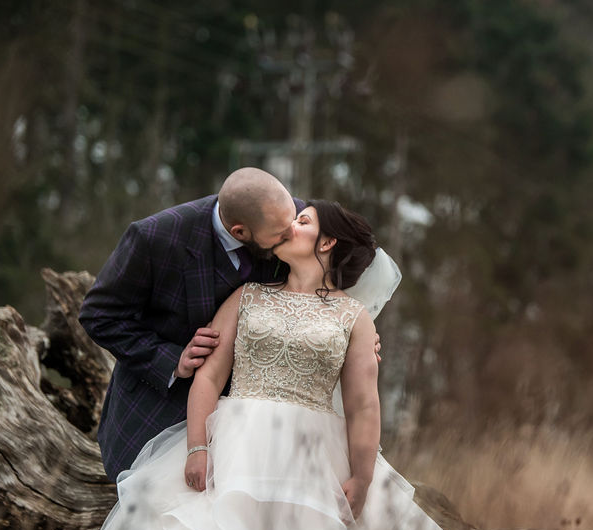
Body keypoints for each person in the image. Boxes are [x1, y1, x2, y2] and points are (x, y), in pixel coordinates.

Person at [55, 201, 468, 530]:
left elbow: (363, 405)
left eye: (304, 220)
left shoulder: (354, 318)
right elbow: (209, 378)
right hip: (233, 450)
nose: (291, 224)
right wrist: (196, 448)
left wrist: (362, 476)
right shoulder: (247, 296)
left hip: (312, 464)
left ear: (328, 242)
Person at [80, 167, 382, 480]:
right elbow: (98, 314)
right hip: (159, 409)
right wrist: (172, 360)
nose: (292, 230)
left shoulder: (284, 214)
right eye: (282, 234)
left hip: (273, 431)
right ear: (240, 232)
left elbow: (339, 260)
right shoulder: (156, 237)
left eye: (297, 219)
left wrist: (351, 338)